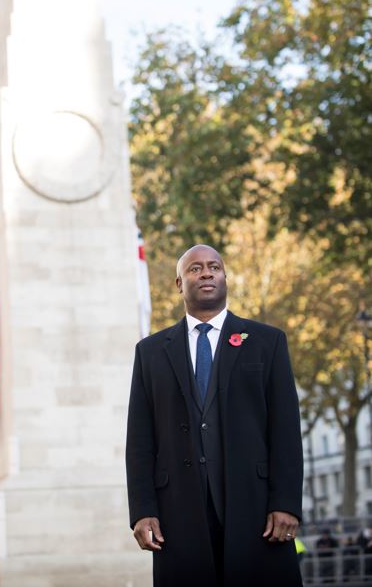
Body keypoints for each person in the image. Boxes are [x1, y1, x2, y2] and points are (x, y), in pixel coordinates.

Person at [126, 244, 304, 586]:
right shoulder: (149, 353)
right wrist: (143, 510)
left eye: (214, 267)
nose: (206, 273)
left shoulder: (267, 342)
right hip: (178, 512)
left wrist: (286, 503)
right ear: (179, 283)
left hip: (257, 509)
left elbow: (285, 430)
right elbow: (139, 440)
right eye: (195, 269)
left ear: (224, 278)